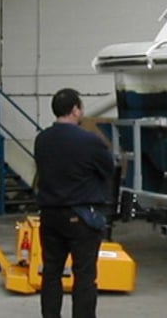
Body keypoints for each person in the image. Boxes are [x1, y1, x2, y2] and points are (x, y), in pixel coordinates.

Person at [34, 88, 113, 318]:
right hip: (81, 216)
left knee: (51, 273)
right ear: (76, 109)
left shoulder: (42, 139)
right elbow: (107, 169)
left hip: (49, 215)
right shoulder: (89, 140)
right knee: (85, 276)